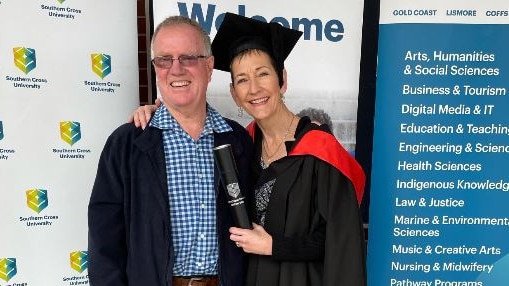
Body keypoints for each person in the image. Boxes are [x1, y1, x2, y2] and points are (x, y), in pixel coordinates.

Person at [132, 13, 366, 286]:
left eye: (263, 74)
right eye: (242, 80)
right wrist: (159, 112)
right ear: (234, 93)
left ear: (283, 80)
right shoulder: (242, 146)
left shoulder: (320, 151)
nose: (254, 88)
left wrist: (275, 247)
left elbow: (344, 241)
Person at [88, 15, 254, 286]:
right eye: (164, 59)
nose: (176, 69)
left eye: (188, 57)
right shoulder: (126, 145)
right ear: (155, 68)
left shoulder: (238, 141)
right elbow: (104, 243)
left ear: (209, 67)